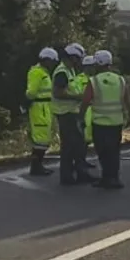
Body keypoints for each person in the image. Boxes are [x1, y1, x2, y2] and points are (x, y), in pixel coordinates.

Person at [80, 49, 130, 189]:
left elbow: (86, 101)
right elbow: (127, 100)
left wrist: (80, 117)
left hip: (100, 122)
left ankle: (106, 178)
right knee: (114, 151)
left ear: (99, 63)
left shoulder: (94, 81)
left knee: (103, 152)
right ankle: (115, 178)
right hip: (116, 122)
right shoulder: (120, 80)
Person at [52, 42, 95, 185]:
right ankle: (72, 176)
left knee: (74, 146)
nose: (78, 62)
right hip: (66, 113)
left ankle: (73, 175)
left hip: (70, 113)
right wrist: (78, 97)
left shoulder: (69, 71)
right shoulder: (62, 72)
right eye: (77, 58)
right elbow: (58, 93)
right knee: (73, 146)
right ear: (72, 57)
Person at [25, 47, 60, 176]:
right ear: (45, 60)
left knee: (43, 138)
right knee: (40, 139)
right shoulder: (37, 72)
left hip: (44, 108)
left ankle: (38, 165)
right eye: (52, 61)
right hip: (39, 108)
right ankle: (36, 167)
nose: (53, 65)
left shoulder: (43, 72)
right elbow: (31, 92)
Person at [79, 55, 98, 168]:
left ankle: (83, 160)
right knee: (82, 138)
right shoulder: (80, 79)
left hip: (93, 110)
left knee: (88, 139)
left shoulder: (95, 79)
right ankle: (80, 161)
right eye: (92, 66)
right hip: (85, 110)